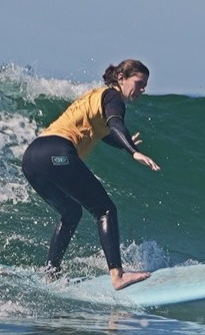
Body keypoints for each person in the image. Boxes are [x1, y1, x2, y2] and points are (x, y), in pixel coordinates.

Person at [22, 59, 161, 289]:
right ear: (121, 78)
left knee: (71, 212)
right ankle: (118, 275)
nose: (142, 90)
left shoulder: (94, 97)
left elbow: (104, 132)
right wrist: (133, 151)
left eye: (145, 85)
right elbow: (115, 123)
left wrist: (122, 141)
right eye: (139, 83)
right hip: (58, 155)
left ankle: (51, 272)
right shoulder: (113, 97)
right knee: (105, 209)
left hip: (33, 158)